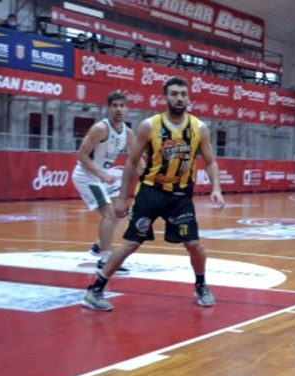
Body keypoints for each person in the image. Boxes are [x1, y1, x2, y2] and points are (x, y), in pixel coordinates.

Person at [82, 76, 225, 311]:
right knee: (130, 244)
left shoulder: (199, 128)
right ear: (165, 97)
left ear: (188, 98)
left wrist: (216, 188)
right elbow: (132, 162)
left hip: (180, 196)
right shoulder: (149, 126)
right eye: (174, 94)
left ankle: (201, 285)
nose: (179, 98)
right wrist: (122, 198)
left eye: (183, 94)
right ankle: (95, 290)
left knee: (194, 244)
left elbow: (210, 162)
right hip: (150, 192)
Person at [72, 91, 137, 275]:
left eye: (122, 106)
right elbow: (81, 155)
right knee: (108, 213)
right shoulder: (100, 128)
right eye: (115, 106)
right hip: (87, 175)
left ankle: (99, 245)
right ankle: (105, 260)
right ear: (109, 108)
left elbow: (135, 158)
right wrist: (101, 174)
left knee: (119, 211)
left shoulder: (128, 133)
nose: (118, 109)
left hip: (103, 176)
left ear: (127, 109)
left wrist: (149, 177)